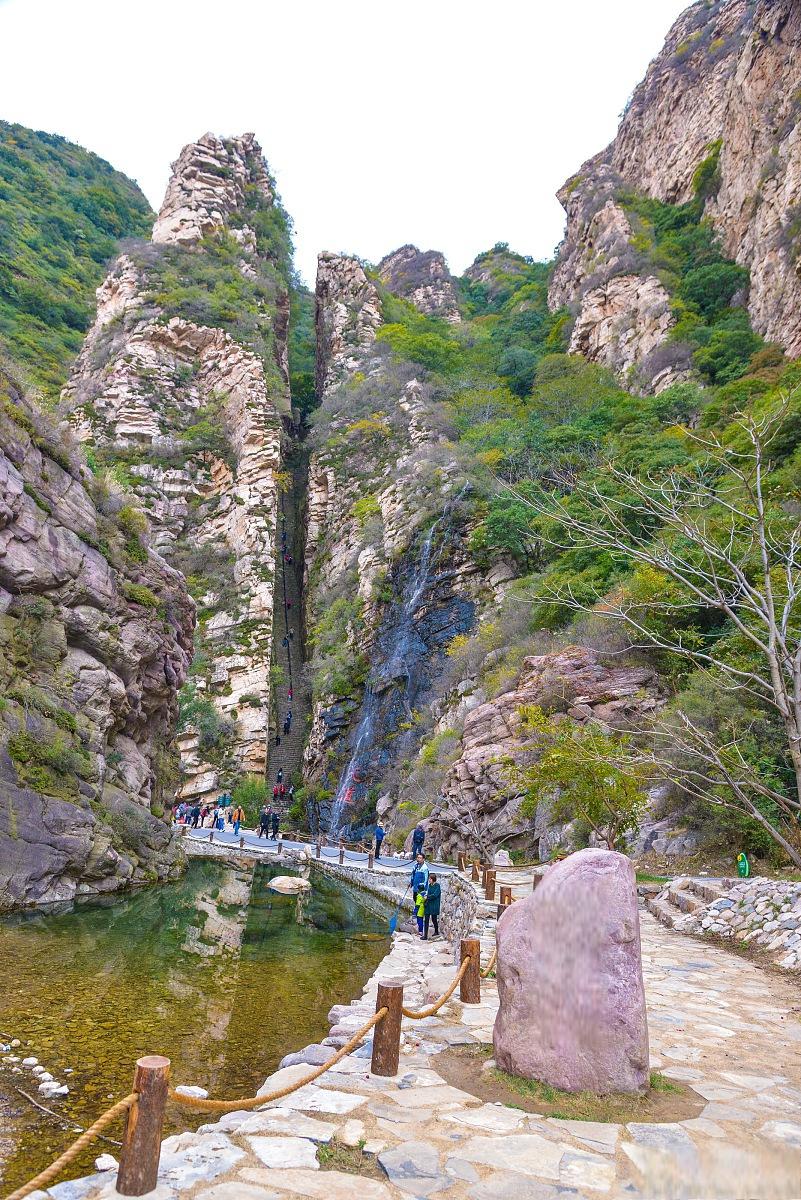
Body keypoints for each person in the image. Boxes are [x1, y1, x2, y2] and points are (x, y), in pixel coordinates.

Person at [423, 875, 441, 940]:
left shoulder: (437, 886)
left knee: (434, 919)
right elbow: (428, 893)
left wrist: (427, 897)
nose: (429, 880)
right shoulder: (429, 885)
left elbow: (435, 895)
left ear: (433, 879)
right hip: (428, 905)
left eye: (430, 879)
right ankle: (425, 936)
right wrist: (426, 895)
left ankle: (436, 931)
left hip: (434, 905)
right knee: (426, 920)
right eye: (429, 879)